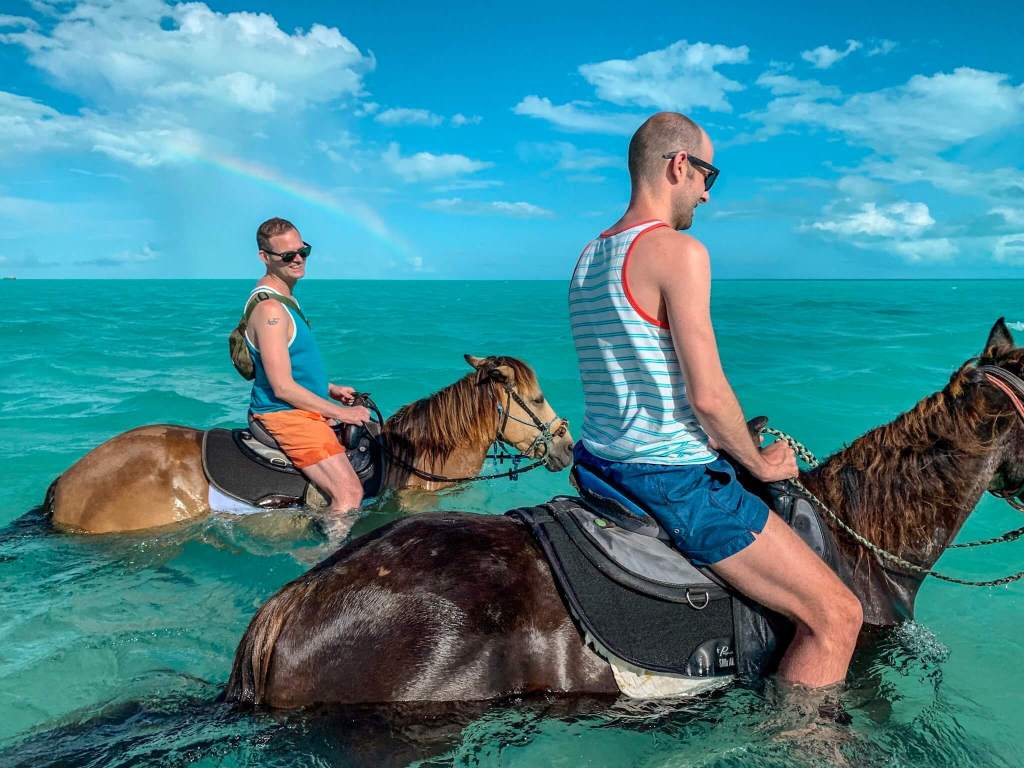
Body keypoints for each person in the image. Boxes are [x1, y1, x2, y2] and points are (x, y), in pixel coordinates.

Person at [569, 113, 862, 688]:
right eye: (708, 175)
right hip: (670, 478)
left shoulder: (586, 259)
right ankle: (801, 744)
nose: (706, 193)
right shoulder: (678, 252)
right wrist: (758, 462)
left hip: (600, 465)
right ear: (680, 165)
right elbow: (707, 396)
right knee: (838, 617)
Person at [244, 217, 369, 534]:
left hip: (300, 408)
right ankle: (324, 568)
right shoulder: (270, 309)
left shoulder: (286, 300)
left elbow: (291, 368)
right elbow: (282, 386)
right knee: (350, 494)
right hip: (284, 414)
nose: (297, 259)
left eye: (303, 251)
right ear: (265, 257)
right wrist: (341, 413)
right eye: (287, 255)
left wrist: (329, 388)